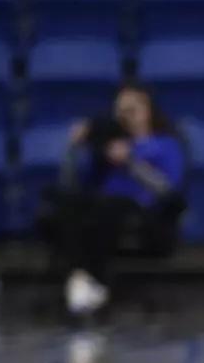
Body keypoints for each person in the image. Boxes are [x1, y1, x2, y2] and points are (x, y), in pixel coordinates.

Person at [52, 84, 187, 318]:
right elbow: (76, 184)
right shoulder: (108, 148)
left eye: (132, 110)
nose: (126, 117)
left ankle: (92, 284)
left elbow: (168, 191)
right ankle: (82, 282)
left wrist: (130, 161)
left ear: (147, 111)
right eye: (120, 111)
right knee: (64, 202)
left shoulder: (166, 145)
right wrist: (73, 148)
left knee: (110, 207)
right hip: (102, 211)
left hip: (147, 215)